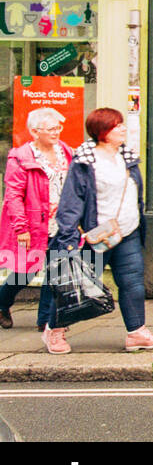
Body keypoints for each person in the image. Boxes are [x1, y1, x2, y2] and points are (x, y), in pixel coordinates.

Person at [49, 107, 153, 353]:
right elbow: (71, 201)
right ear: (102, 131)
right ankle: (54, 331)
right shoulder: (85, 161)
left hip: (127, 231)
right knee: (77, 284)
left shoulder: (127, 156)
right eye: (117, 126)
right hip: (96, 235)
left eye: (122, 124)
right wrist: (69, 237)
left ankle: (136, 333)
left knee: (133, 282)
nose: (123, 129)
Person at [0, 109, 74, 331]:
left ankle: (46, 320)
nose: (56, 132)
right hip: (33, 224)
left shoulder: (66, 151)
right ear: (34, 131)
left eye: (58, 128)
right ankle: (2, 302)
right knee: (26, 271)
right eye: (50, 129)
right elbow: (13, 195)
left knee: (55, 270)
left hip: (61, 222)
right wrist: (21, 227)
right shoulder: (21, 157)